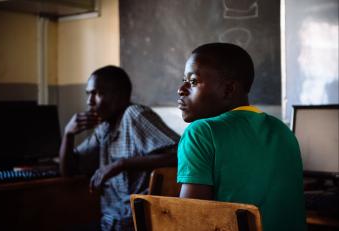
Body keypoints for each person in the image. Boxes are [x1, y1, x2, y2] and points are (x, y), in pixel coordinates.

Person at [176, 43, 306, 231]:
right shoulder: (282, 130)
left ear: (229, 89)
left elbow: (191, 221)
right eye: (184, 80)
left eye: (193, 81)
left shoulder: (201, 132)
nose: (181, 89)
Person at [59, 65, 179, 231]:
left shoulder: (134, 114)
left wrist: (122, 163)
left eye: (97, 93)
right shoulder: (105, 128)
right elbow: (68, 170)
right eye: (88, 94)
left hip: (132, 224)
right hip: (109, 223)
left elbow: (181, 156)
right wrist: (68, 134)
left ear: (120, 95)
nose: (89, 102)